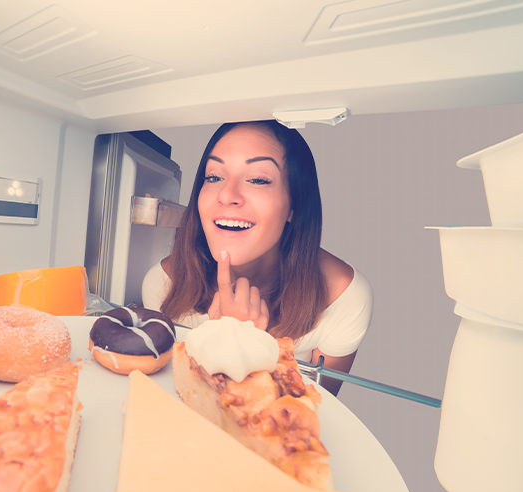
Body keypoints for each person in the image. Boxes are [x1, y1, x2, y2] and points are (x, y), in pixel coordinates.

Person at [142, 120, 373, 396]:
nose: (227, 195)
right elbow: (168, 403)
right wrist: (226, 340)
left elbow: (316, 416)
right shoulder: (162, 284)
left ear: (294, 207)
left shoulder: (345, 299)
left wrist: (245, 345)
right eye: (214, 177)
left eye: (258, 180)